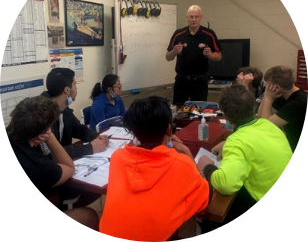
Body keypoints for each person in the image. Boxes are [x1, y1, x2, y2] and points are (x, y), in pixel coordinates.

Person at [99, 96, 211, 241]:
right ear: (169, 130)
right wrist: (187, 153)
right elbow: (205, 199)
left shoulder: (117, 157)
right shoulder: (182, 163)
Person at [196, 84, 293, 228]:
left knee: (214, 214)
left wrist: (207, 166)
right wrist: (228, 142)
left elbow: (226, 184)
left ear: (225, 114)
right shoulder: (268, 125)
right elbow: (254, 142)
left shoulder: (237, 141)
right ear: (252, 107)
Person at [7, 96, 99, 231]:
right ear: (41, 135)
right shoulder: (38, 166)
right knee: (89, 216)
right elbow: (69, 167)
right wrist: (50, 137)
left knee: (54, 196)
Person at [41, 68, 109, 159]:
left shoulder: (64, 109)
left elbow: (79, 129)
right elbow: (52, 153)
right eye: (74, 84)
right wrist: (90, 148)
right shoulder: (42, 115)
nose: (76, 88)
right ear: (67, 90)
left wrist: (96, 137)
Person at [166, 5, 222, 107]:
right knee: (179, 109)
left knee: (200, 110)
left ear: (201, 17)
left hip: (200, 81)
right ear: (187, 18)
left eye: (196, 17)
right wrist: (174, 51)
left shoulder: (209, 34)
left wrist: (210, 54)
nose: (194, 19)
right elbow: (168, 57)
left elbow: (219, 56)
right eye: (191, 17)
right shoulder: (178, 34)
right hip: (181, 80)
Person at [257, 65, 307, 152]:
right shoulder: (282, 95)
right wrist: (266, 95)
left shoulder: (299, 102)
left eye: (268, 84)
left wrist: (268, 97)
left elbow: (266, 125)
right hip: (286, 141)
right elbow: (260, 116)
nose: (266, 87)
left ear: (277, 87)